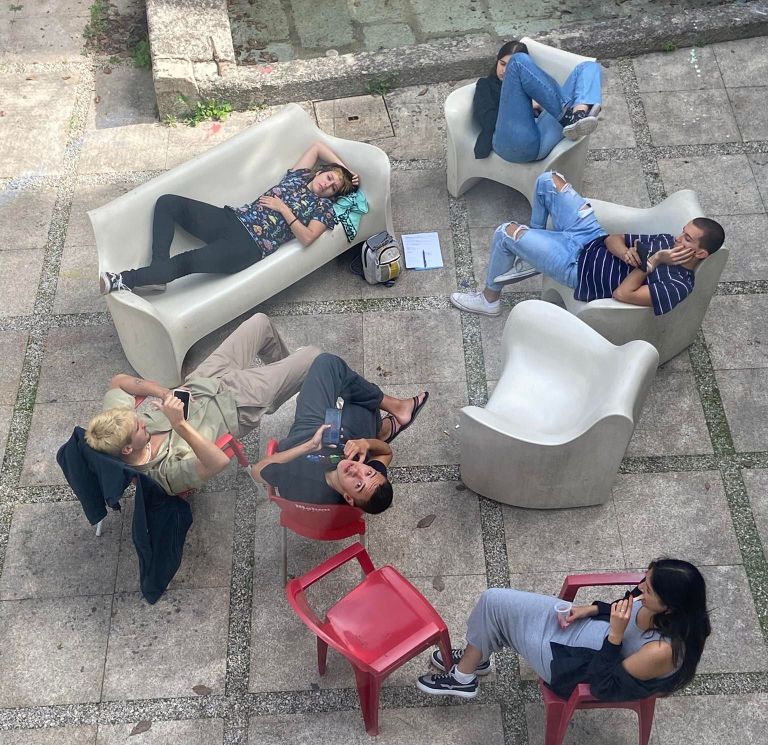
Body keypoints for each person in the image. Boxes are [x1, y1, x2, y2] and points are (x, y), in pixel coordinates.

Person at [84, 314, 319, 495]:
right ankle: (293, 375)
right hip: (237, 404)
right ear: (127, 449)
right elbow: (217, 463)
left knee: (260, 323)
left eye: (138, 420)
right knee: (313, 356)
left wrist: (164, 392)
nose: (142, 422)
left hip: (204, 379)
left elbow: (118, 382)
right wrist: (179, 425)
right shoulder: (163, 474)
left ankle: (291, 376)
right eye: (138, 428)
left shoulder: (117, 424)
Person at [417, 558, 710, 701]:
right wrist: (591, 609)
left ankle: (464, 676)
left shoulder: (661, 652)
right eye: (645, 578)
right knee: (493, 600)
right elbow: (621, 607)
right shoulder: (654, 602)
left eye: (649, 589)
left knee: (496, 612)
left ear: (670, 607)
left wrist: (616, 635)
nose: (640, 587)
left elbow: (604, 686)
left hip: (571, 664)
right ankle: (476, 657)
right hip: (581, 629)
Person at [450, 171, 725, 317]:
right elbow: (613, 238)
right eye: (682, 232)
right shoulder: (666, 240)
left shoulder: (678, 286)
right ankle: (534, 247)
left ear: (701, 253)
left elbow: (623, 294)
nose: (678, 239)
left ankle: (489, 300)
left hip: (578, 268)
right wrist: (625, 253)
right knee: (548, 181)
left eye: (687, 239)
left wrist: (652, 262)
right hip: (591, 236)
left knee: (506, 232)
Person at [99, 141, 358, 294]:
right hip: (231, 219)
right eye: (329, 177)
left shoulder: (322, 208)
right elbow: (317, 147)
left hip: (248, 247)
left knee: (186, 262)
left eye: (333, 188)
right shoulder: (298, 176)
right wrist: (346, 171)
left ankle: (124, 279)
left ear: (332, 196)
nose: (327, 185)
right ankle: (157, 271)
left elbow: (308, 237)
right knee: (167, 203)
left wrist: (284, 209)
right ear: (320, 172)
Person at [250, 353, 429, 515]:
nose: (357, 471)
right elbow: (386, 453)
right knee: (365, 401)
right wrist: (367, 443)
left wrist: (309, 446)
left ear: (348, 498)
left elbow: (257, 471)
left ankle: (392, 414)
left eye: (358, 485)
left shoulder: (301, 482)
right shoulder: (374, 486)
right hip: (343, 443)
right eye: (369, 472)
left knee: (327, 364)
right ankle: (382, 429)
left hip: (306, 437)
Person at [471, 40, 603, 164]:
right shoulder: (485, 85)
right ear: (497, 62)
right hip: (512, 142)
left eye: (509, 67)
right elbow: (488, 121)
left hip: (543, 135)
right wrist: (527, 106)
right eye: (502, 64)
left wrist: (542, 104)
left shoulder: (531, 82)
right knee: (518, 60)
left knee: (588, 67)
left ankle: (578, 115)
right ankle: (567, 117)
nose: (505, 71)